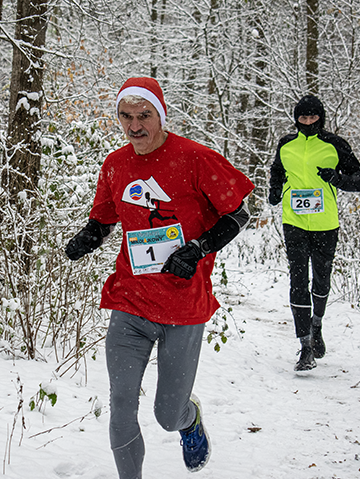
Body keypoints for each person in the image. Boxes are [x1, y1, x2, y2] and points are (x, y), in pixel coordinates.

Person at [65, 77, 254, 478]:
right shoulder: (115, 165)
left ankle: (189, 419)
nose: (135, 126)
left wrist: (198, 248)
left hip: (183, 306)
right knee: (121, 406)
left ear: (161, 115)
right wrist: (88, 237)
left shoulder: (195, 158)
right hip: (130, 301)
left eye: (144, 116)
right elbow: (104, 219)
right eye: (126, 116)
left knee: (168, 414)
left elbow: (239, 213)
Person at [268, 95, 360, 371]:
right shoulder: (286, 144)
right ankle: (305, 345)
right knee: (298, 280)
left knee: (321, 280)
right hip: (294, 221)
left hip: (325, 223)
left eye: (313, 117)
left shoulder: (335, 144)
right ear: (296, 118)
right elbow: (277, 171)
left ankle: (317, 324)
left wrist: (337, 178)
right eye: (303, 117)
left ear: (321, 118)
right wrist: (274, 190)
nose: (308, 121)